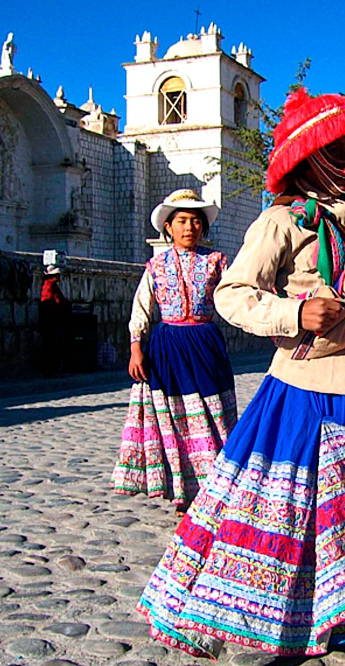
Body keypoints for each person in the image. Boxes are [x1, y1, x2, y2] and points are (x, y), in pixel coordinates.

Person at [137, 89, 345, 659]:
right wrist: (295, 311)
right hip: (306, 379)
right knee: (292, 502)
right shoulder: (279, 222)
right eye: (336, 149)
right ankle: (290, 616)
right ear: (307, 156)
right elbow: (233, 292)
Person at [111, 190, 238, 507]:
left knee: (215, 415)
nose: (189, 228)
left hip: (205, 346)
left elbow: (236, 296)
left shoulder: (215, 262)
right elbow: (141, 306)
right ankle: (181, 488)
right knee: (175, 418)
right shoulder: (155, 266)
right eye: (181, 221)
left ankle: (216, 486)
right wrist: (135, 346)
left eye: (195, 221)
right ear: (168, 227)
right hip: (168, 348)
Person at [39, 266, 70, 376]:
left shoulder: (51, 286)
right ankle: (50, 369)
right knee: (52, 346)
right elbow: (54, 303)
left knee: (52, 346)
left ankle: (52, 368)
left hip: (53, 321)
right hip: (51, 321)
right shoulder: (49, 287)